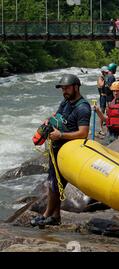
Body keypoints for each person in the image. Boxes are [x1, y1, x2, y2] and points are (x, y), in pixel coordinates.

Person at [30, 74, 91, 227]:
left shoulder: (82, 107)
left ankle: (46, 215)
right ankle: (55, 216)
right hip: (56, 148)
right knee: (53, 183)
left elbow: (83, 132)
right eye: (62, 88)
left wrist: (61, 135)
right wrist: (48, 120)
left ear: (76, 87)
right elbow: (56, 115)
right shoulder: (66, 102)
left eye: (67, 88)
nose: (64, 91)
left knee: (54, 184)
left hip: (68, 152)